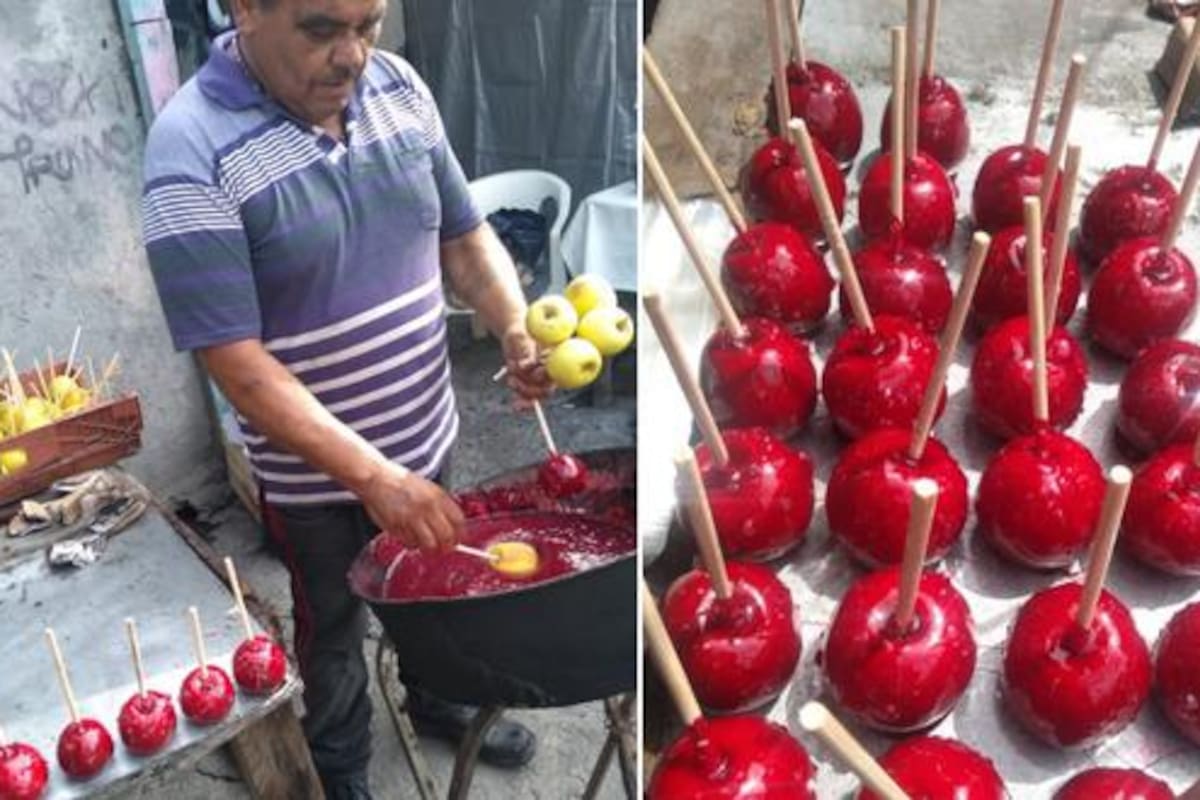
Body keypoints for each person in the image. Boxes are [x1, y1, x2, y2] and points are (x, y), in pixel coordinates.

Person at [140, 0, 553, 796]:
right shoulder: (189, 151)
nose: (354, 55)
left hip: (428, 437)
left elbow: (464, 236)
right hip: (318, 486)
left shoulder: (399, 87)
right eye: (322, 29)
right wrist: (373, 478)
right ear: (246, 9)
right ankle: (338, 763)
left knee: (434, 590)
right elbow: (238, 364)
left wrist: (512, 326)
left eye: (369, 25)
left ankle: (438, 700)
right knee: (331, 627)